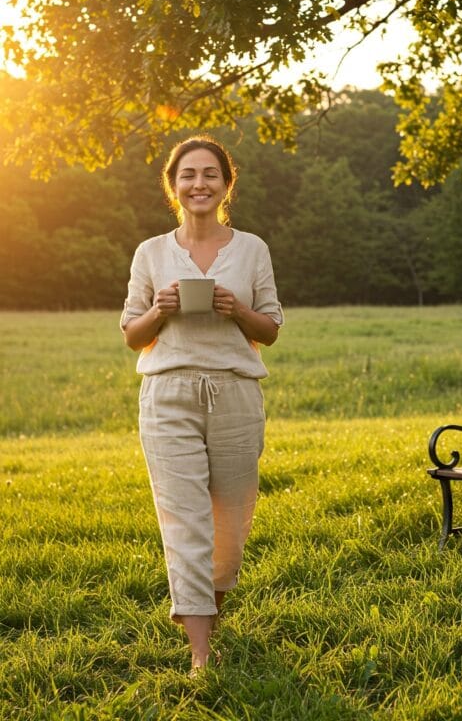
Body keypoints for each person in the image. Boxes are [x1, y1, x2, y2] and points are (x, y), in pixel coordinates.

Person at [120, 135, 283, 674]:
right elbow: (131, 334)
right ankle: (200, 652)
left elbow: (271, 330)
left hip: (235, 395)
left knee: (229, 521)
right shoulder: (151, 252)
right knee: (184, 519)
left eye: (210, 174)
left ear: (225, 183)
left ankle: (210, 607)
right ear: (173, 186)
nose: (199, 184)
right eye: (188, 175)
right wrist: (160, 311)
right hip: (167, 395)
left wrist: (236, 308)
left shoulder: (253, 249)